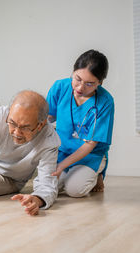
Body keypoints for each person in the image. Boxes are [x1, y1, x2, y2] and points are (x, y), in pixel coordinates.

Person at [46, 49, 114, 197]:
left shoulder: (105, 102)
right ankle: (68, 173)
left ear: (100, 83)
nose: (80, 88)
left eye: (89, 84)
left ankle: (98, 173)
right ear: (73, 71)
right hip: (62, 151)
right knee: (49, 185)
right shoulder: (60, 87)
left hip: (90, 154)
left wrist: (61, 167)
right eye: (77, 79)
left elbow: (90, 144)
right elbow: (48, 118)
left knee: (74, 191)